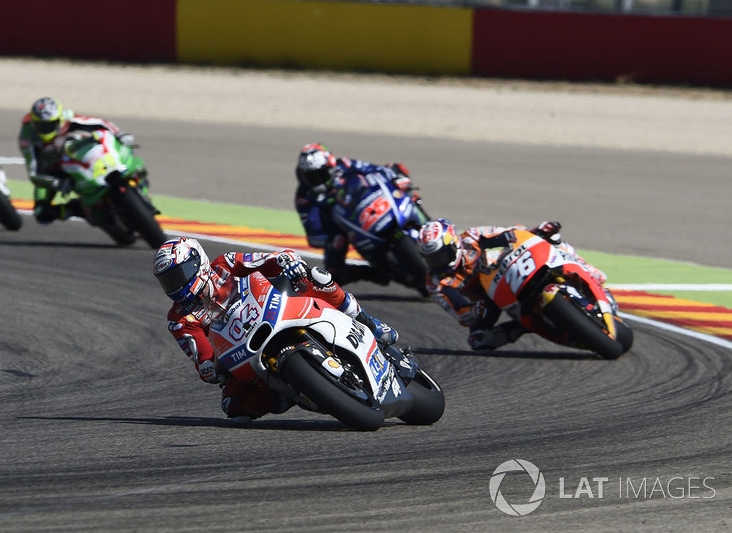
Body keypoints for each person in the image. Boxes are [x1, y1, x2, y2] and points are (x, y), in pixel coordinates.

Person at [153, 237, 399, 421]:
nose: (175, 286)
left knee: (315, 277)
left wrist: (285, 260)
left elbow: (266, 260)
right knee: (233, 405)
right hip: (244, 351)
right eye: (169, 281)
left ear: (198, 263)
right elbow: (203, 361)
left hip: (276, 306)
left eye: (179, 274)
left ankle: (367, 321)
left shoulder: (224, 264)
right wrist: (211, 367)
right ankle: (291, 393)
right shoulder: (179, 319)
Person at [417, 219, 613, 351]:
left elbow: (511, 235)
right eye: (431, 258)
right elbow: (461, 313)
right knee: (479, 341)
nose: (438, 263)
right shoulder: (435, 283)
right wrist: (476, 310)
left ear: (455, 244)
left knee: (552, 240)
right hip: (487, 303)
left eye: (441, 255)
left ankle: (589, 273)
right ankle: (523, 326)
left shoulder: (474, 237)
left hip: (508, 270)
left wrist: (536, 232)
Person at [294, 142, 425, 286]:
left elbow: (374, 169)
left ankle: (428, 224)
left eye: (319, 174)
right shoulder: (304, 197)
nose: (315, 180)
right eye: (310, 176)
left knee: (406, 189)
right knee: (334, 273)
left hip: (367, 206)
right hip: (341, 226)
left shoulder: (345, 164)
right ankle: (371, 273)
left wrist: (395, 177)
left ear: (330, 167)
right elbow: (314, 233)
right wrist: (330, 235)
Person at [18, 96, 140, 224]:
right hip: (51, 173)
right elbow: (34, 173)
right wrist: (56, 183)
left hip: (74, 157)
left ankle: (125, 168)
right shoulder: (27, 137)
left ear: (59, 120)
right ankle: (78, 208)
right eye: (40, 126)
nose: (45, 129)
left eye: (49, 125)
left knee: (104, 141)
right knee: (41, 213)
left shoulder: (68, 118)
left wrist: (120, 134)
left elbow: (99, 122)